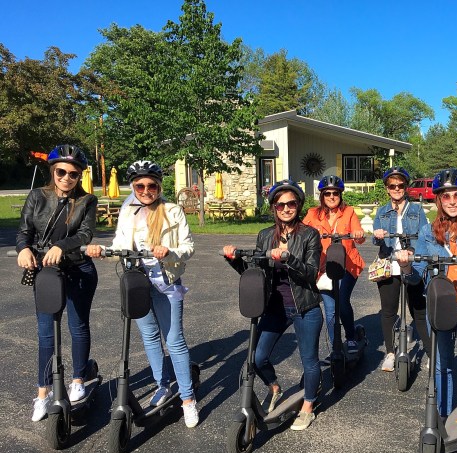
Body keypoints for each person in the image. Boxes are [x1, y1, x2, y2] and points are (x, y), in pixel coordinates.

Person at [86, 160, 199, 428]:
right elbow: (119, 245)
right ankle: (162, 385)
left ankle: (188, 399)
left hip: (166, 282)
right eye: (140, 185)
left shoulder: (172, 211)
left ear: (159, 186)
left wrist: (168, 251)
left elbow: (188, 247)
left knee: (174, 340)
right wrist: (101, 250)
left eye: (151, 185)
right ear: (134, 186)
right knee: (149, 337)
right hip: (136, 283)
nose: (146, 190)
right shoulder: (128, 211)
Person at [397, 168, 457, 453]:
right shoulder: (428, 231)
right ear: (438, 200)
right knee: (441, 366)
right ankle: (440, 418)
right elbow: (416, 277)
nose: (452, 201)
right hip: (438, 304)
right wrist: (405, 265)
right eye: (446, 196)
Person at [223, 179, 323, 431]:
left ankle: (308, 407)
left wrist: (288, 258)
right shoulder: (266, 235)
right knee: (257, 358)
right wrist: (234, 260)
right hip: (274, 307)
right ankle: (275, 387)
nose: (286, 208)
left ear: (298, 205)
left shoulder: (309, 234)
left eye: (291, 203)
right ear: (274, 208)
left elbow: (311, 274)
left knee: (309, 360)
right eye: (281, 205)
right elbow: (254, 273)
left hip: (305, 306)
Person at [16, 144, 99, 422]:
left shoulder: (87, 201)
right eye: (61, 172)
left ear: (79, 176)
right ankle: (43, 393)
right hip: (47, 273)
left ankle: (78, 380)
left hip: (79, 268)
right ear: (53, 171)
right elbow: (24, 232)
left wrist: (62, 246)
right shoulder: (37, 196)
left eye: (73, 174)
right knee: (45, 334)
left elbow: (86, 233)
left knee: (78, 326)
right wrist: (23, 250)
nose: (66, 178)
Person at [372, 167, 431, 372]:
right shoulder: (382, 211)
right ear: (387, 189)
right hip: (389, 263)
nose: (397, 189)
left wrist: (413, 251)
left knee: (419, 312)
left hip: (411, 263)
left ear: (406, 187)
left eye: (400, 185)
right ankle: (390, 352)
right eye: (392, 186)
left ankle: (431, 353)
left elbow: (425, 235)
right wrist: (378, 234)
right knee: (388, 311)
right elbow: (374, 238)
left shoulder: (416, 210)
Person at [302, 175, 365, 355]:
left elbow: (359, 237)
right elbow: (301, 233)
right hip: (323, 268)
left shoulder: (349, 212)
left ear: (340, 195)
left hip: (347, 266)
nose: (331, 196)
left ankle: (351, 337)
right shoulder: (313, 214)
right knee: (329, 310)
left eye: (335, 193)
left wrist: (358, 234)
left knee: (342, 301)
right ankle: (336, 346)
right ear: (322, 195)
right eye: (327, 193)